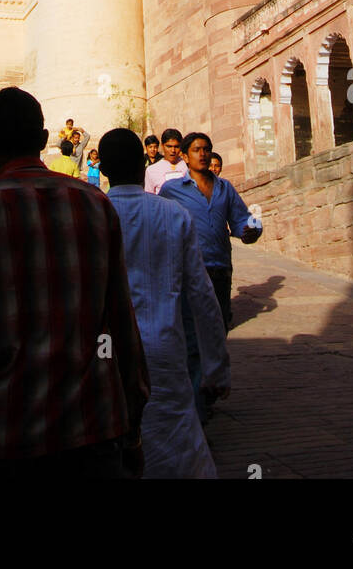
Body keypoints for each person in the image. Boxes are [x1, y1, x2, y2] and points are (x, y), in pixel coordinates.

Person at [0, 87, 149, 478]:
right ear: (44, 140)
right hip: (93, 428)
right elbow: (122, 324)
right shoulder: (96, 205)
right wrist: (133, 427)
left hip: (6, 433)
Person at [99, 129, 229, 479]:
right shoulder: (173, 214)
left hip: (108, 355)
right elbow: (203, 296)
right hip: (166, 351)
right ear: (145, 162)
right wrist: (216, 367)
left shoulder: (93, 215)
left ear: (104, 168)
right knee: (177, 445)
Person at [161, 132, 261, 330]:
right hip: (189, 270)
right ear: (186, 157)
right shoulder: (171, 190)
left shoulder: (225, 188)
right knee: (191, 328)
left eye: (206, 149)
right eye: (196, 150)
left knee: (220, 326)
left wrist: (251, 230)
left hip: (220, 268)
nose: (203, 154)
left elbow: (242, 218)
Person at [143, 128, 188, 195]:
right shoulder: (151, 170)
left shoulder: (188, 166)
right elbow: (149, 199)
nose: (173, 150)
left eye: (176, 147)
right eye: (169, 146)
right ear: (162, 146)